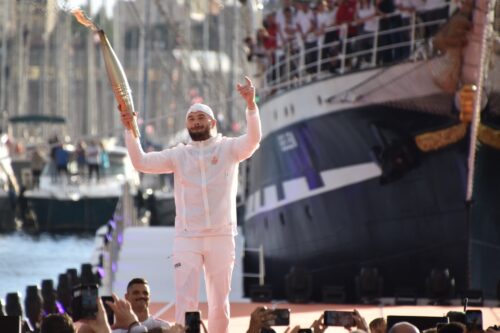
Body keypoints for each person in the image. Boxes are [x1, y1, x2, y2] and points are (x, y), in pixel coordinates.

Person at [120, 76, 262, 333]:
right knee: (186, 301)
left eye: (201, 117)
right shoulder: (178, 154)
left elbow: (253, 141)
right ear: (187, 125)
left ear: (212, 123)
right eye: (191, 119)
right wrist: (130, 129)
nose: (196, 122)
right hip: (187, 237)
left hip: (221, 234)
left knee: (220, 303)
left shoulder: (229, 149)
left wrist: (251, 106)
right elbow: (141, 161)